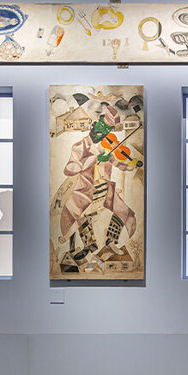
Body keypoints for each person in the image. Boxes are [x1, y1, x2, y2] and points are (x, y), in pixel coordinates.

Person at [56, 103, 142, 271]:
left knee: (124, 213)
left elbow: (117, 161)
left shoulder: (106, 146)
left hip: (105, 188)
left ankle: (110, 243)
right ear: (96, 125)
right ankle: (89, 246)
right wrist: (94, 159)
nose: (104, 134)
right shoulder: (80, 146)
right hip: (86, 190)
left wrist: (131, 165)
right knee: (80, 217)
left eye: (108, 131)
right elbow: (69, 169)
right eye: (103, 129)